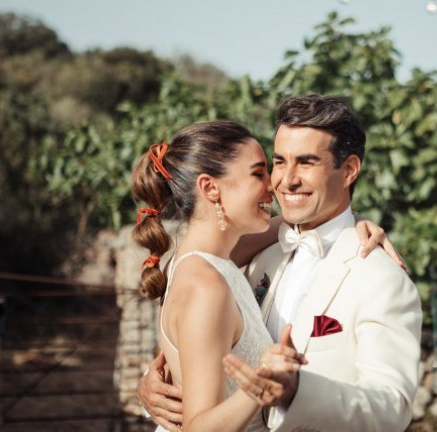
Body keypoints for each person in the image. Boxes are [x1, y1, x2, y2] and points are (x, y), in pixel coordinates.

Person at [138, 94, 421, 432]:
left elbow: (392, 407)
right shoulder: (255, 253)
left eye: (306, 162)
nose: (285, 180)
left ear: (348, 170)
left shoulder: (380, 278)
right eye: (279, 162)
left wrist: (297, 391)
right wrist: (150, 385)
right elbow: (196, 334)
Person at [132, 120, 306, 432]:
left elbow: (298, 224)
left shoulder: (201, 260)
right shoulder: (205, 286)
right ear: (211, 188)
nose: (274, 185)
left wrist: (354, 224)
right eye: (258, 173)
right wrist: (260, 386)